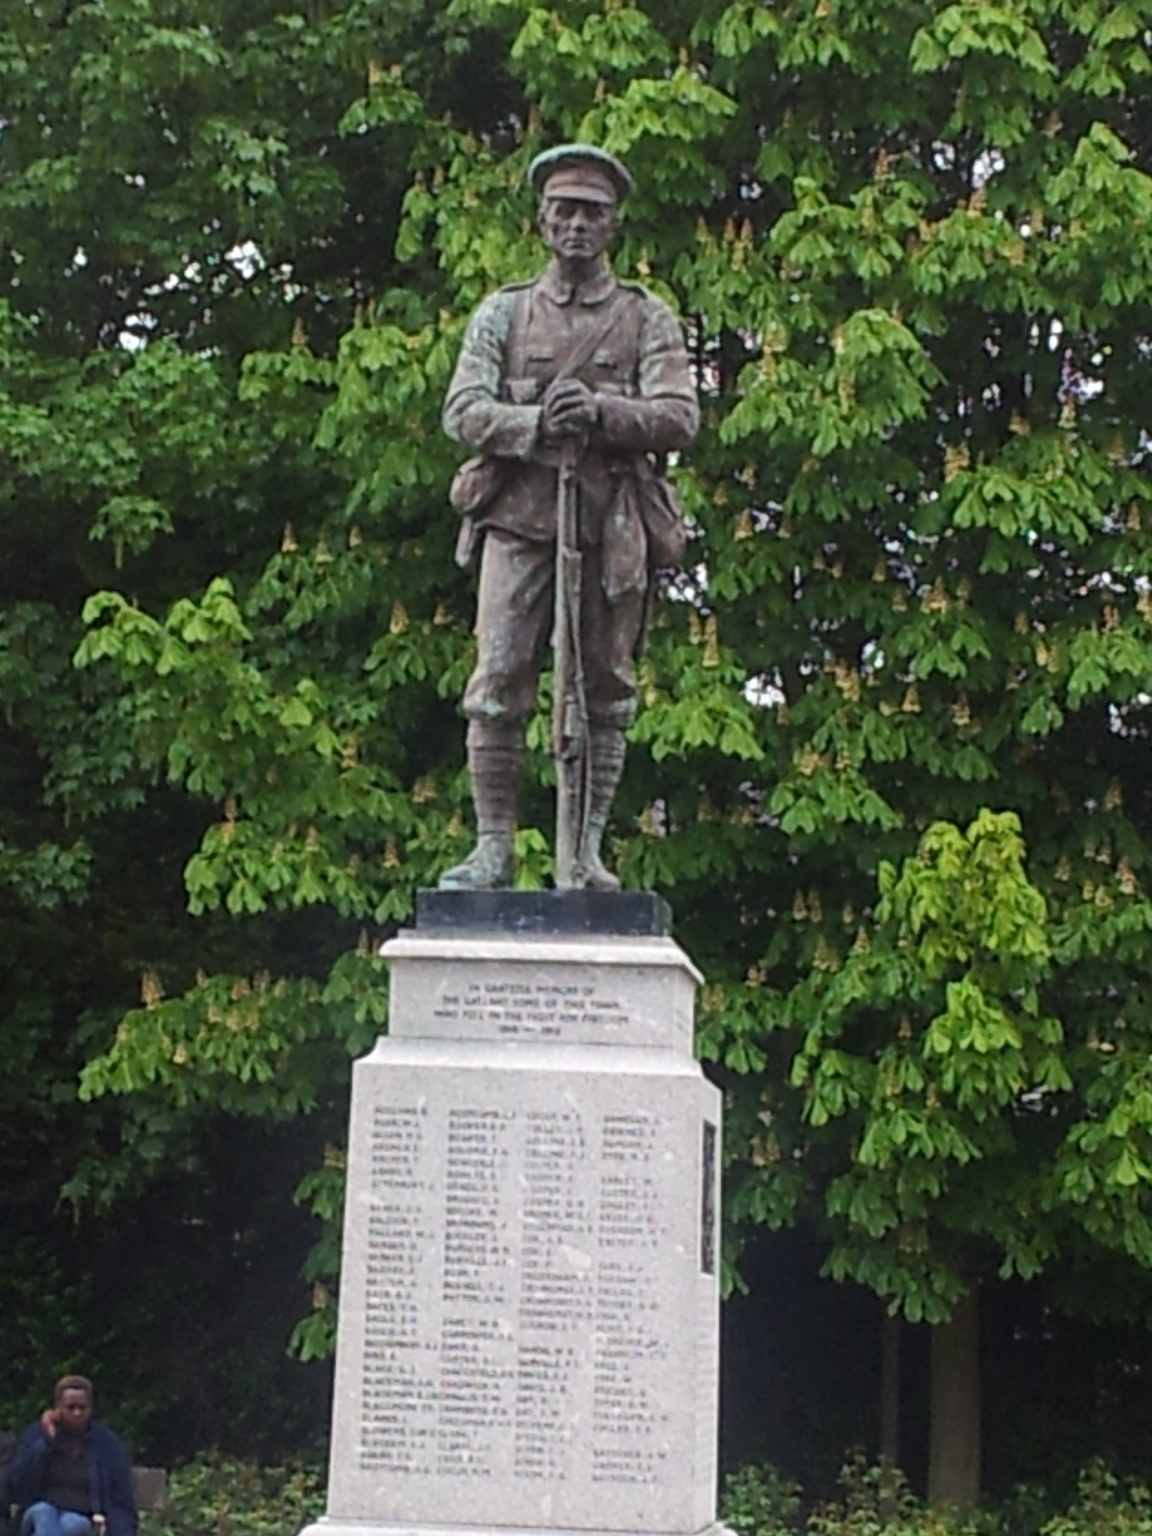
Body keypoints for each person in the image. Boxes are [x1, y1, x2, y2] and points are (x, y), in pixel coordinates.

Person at [439, 143, 700, 891]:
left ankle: (582, 853)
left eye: (593, 212)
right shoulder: (504, 313)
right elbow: (463, 409)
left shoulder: (645, 318)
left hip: (607, 527)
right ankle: (493, 849)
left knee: (603, 690)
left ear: (613, 224)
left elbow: (680, 415)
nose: (578, 225)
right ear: (543, 220)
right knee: (497, 682)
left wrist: (606, 413)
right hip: (519, 523)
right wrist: (532, 424)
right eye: (565, 211)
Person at [10, 1377, 136, 1536]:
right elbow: (19, 1485)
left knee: (74, 1525)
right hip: (35, 1516)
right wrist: (47, 1441)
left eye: (82, 1407)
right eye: (70, 1407)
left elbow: (122, 1500)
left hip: (82, 1519)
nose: (77, 1413)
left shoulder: (107, 1444)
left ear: (91, 1409)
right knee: (44, 1512)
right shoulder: (37, 1434)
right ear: (57, 1408)